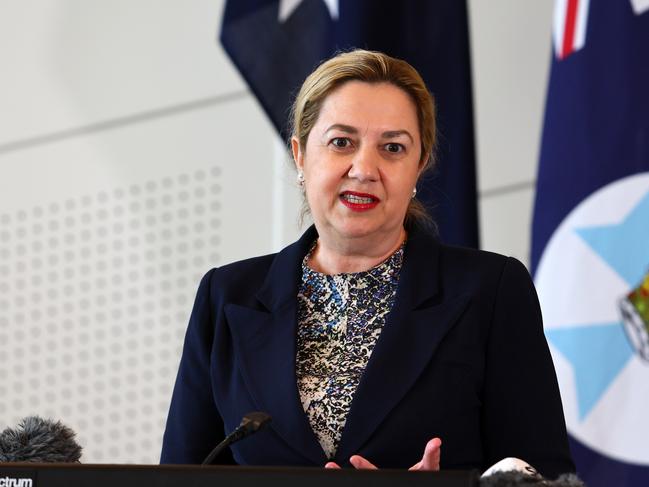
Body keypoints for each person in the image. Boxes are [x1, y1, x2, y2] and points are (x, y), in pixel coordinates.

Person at [160, 49, 574, 478]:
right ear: (300, 155)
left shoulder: (490, 291)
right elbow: (179, 474)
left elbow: (545, 475)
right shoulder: (227, 296)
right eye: (342, 142)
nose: (365, 168)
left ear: (419, 165)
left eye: (392, 148)